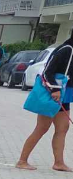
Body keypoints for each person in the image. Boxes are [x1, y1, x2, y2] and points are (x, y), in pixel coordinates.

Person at [16, 29, 72, 171]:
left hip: (64, 95)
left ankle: (59, 162)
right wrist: (54, 89)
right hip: (55, 94)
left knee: (63, 128)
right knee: (42, 128)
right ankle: (22, 160)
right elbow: (48, 71)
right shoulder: (66, 49)